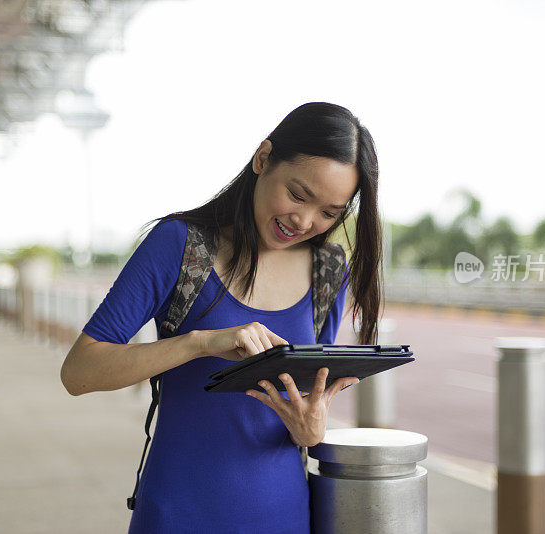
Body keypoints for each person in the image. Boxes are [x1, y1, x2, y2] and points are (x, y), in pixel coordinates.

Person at [60, 102, 383, 533]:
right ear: (263, 158)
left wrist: (311, 428)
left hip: (283, 515)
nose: (304, 220)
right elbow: (79, 373)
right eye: (298, 194)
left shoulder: (329, 269)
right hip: (178, 514)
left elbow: (303, 398)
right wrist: (200, 342)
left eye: (329, 213)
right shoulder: (179, 245)